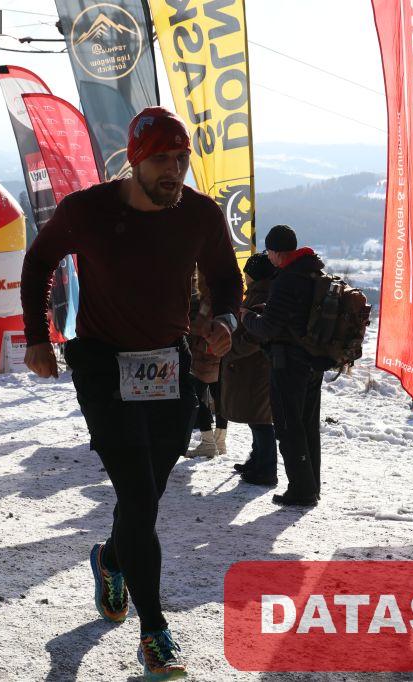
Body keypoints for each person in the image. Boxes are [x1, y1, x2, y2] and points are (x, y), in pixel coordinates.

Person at [20, 106, 242, 679]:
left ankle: (111, 557)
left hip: (167, 364)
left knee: (148, 493)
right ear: (136, 161)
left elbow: (226, 279)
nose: (175, 171)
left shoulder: (198, 214)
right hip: (101, 364)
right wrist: (38, 337)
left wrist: (227, 320)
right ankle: (154, 633)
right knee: (139, 497)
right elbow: (39, 261)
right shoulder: (88, 210)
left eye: (182, 159)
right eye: (162, 159)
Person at [241, 225, 330, 507]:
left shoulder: (287, 278)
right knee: (307, 425)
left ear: (278, 252)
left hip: (289, 363)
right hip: (313, 360)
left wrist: (246, 317)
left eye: (269, 252)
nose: (268, 257)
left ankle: (301, 490)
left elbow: (267, 328)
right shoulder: (313, 271)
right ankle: (311, 484)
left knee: (289, 426)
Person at [225, 253, 279, 486]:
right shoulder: (264, 293)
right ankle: (256, 460)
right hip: (255, 368)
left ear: (253, 275)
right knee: (256, 418)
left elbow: (255, 336)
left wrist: (230, 348)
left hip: (258, 369)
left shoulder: (262, 296)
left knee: (261, 420)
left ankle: (266, 469)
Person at [186, 274, 227, 458]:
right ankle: (220, 441)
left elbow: (199, 326)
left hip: (204, 357)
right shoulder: (224, 300)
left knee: (196, 397)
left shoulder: (207, 301)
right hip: (220, 354)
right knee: (219, 397)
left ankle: (208, 442)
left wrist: (189, 324)